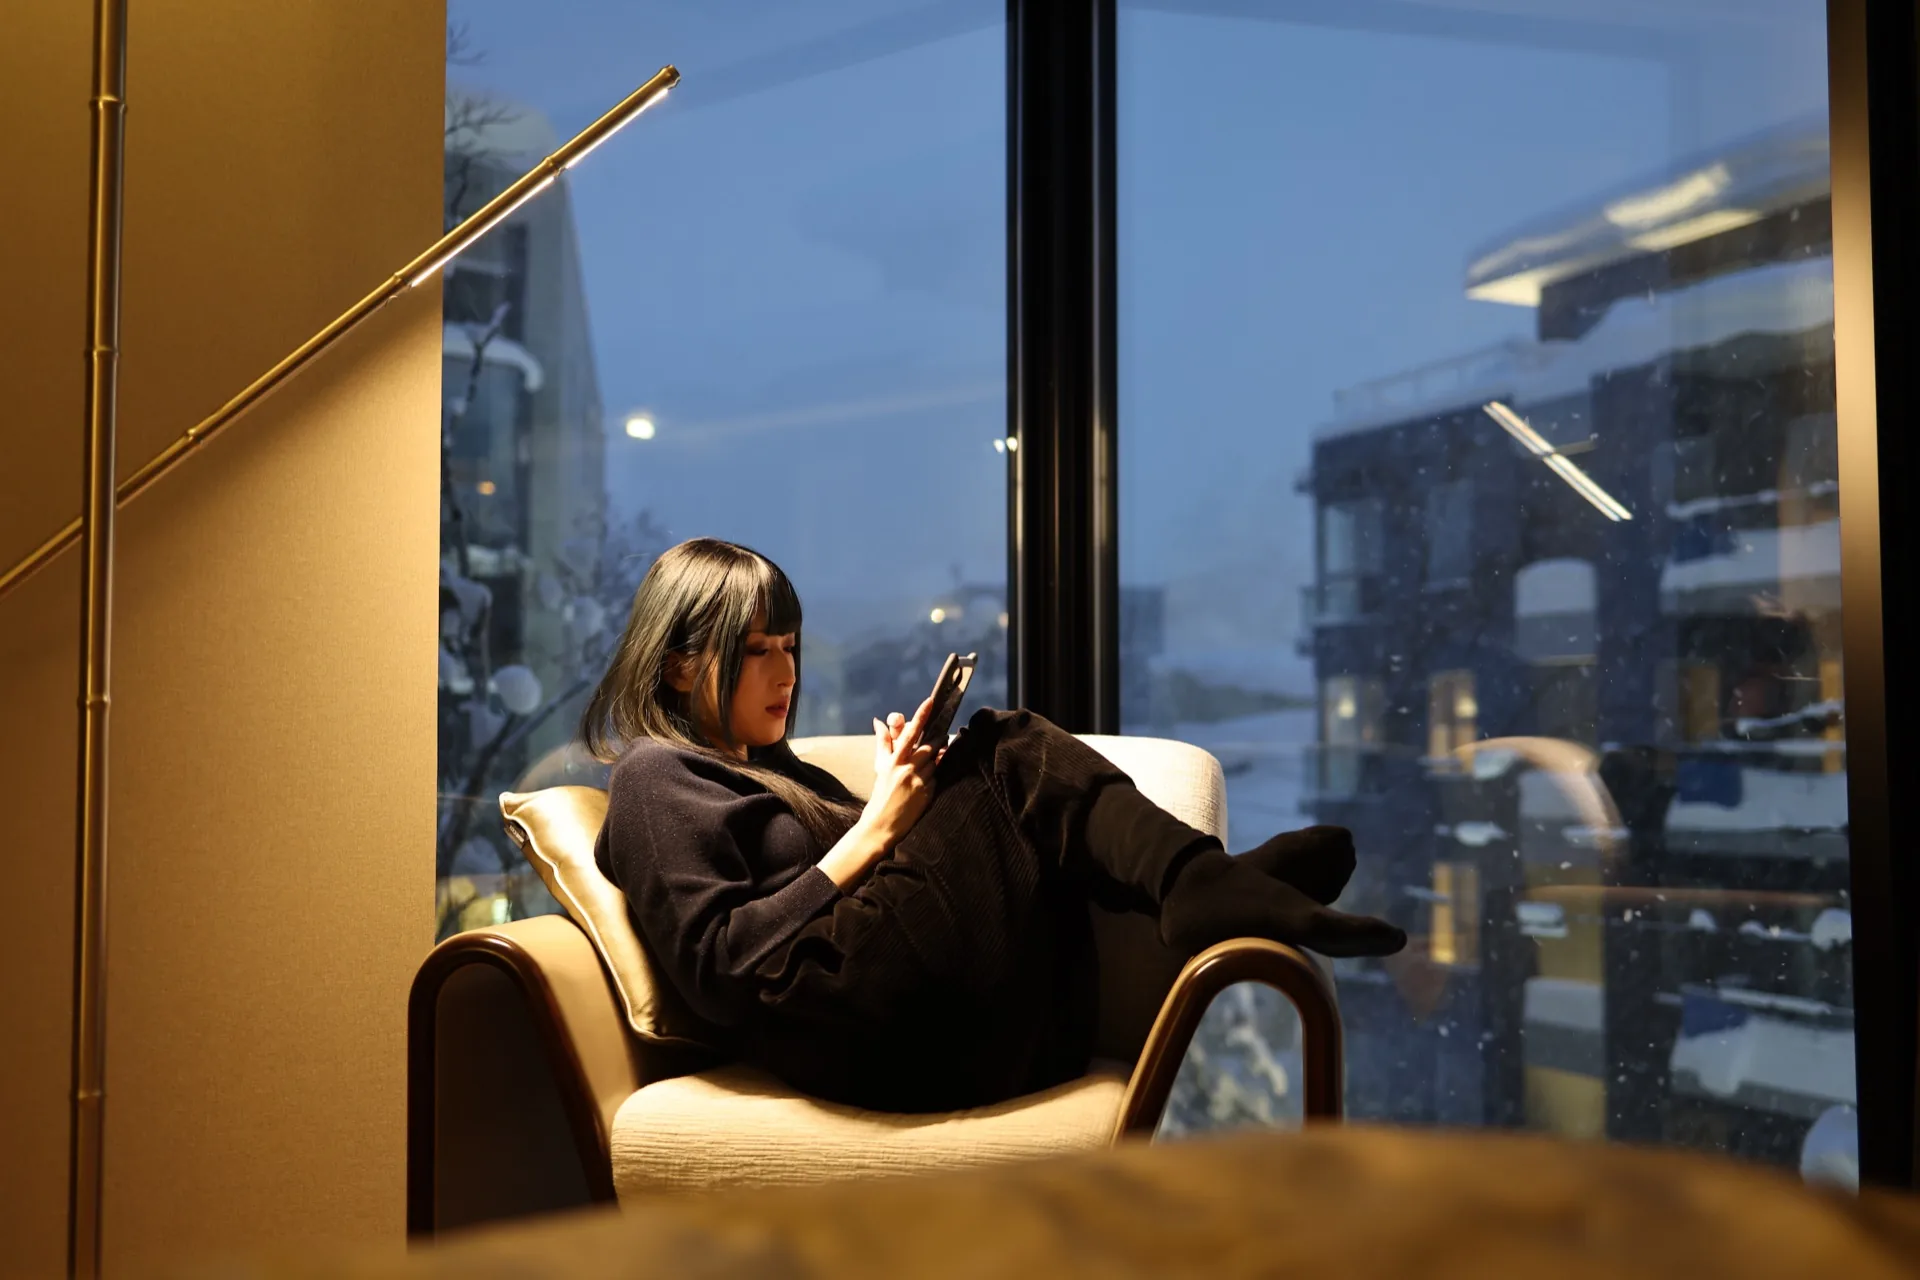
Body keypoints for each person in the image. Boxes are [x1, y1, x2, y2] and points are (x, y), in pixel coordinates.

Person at [584, 537, 1405, 1113]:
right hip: (846, 1028)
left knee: (1011, 793)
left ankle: (1203, 889)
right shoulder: (657, 777)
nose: (786, 672)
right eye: (758, 648)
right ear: (681, 663)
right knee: (1005, 745)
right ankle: (1201, 889)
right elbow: (716, 966)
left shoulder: (779, 774)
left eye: (791, 645)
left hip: (961, 1031)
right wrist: (875, 828)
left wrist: (922, 806)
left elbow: (885, 889)